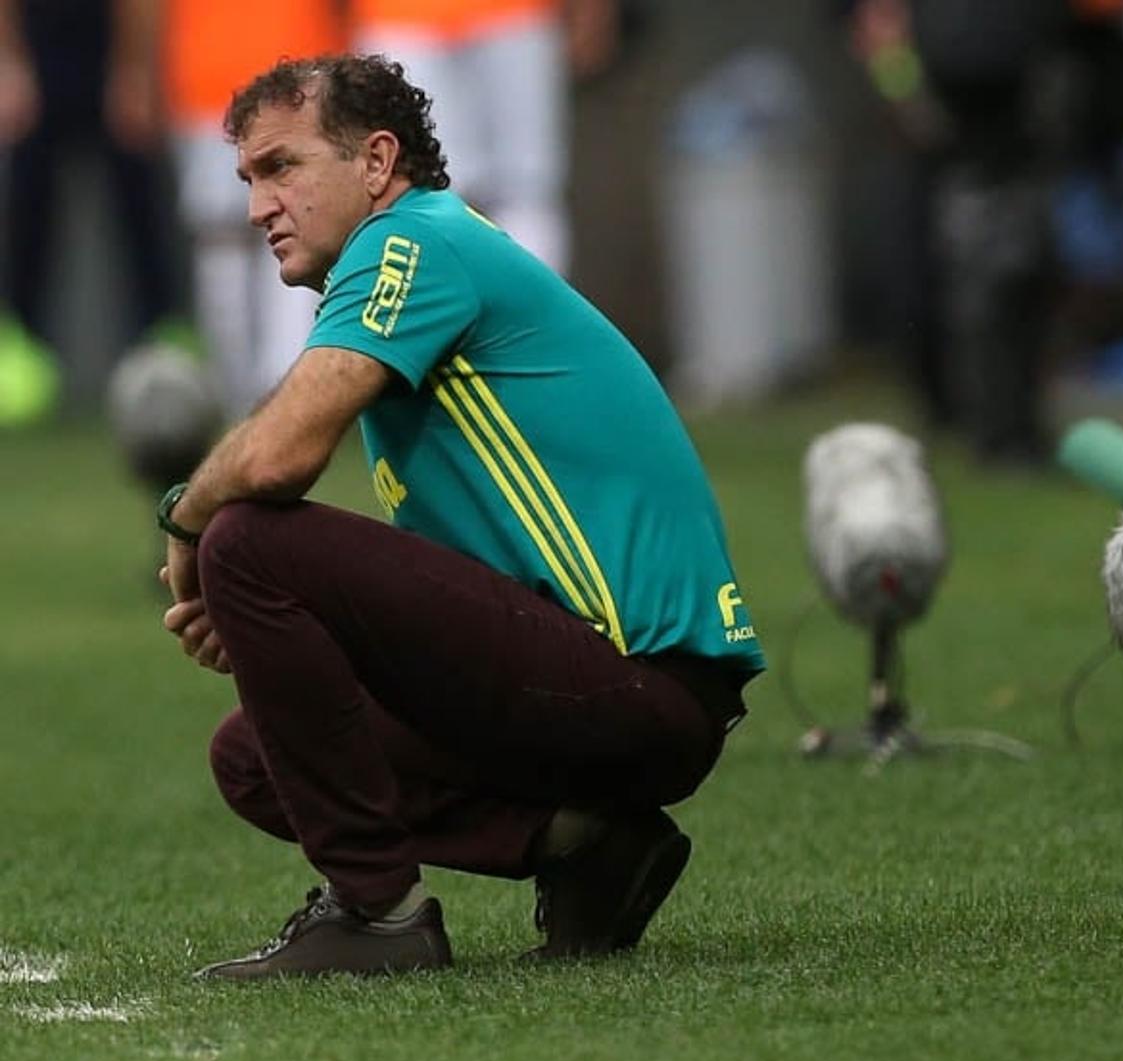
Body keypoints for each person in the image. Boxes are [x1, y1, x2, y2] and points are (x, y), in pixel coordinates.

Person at [158, 54, 765, 980]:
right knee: (253, 755)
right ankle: (586, 844)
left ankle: (376, 915)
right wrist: (288, 641)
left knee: (246, 538)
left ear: (376, 162)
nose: (256, 208)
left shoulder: (414, 242)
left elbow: (278, 458)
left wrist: (187, 518)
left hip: (639, 683)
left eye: (281, 167)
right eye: (248, 179)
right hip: (604, 691)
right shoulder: (418, 259)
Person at [160, 0, 345, 421]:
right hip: (289, 70)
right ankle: (284, 398)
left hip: (217, 71)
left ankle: (257, 401)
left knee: (226, 240)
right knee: (288, 226)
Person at [0, 0, 182, 426]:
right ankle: (21, 347)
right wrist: (10, 63)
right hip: (39, 53)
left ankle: (161, 338)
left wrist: (134, 70)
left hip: (108, 54)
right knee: (29, 204)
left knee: (137, 197)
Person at [346, 0, 617, 275]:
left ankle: (525, 311)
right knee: (427, 195)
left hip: (506, 18)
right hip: (408, 22)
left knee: (522, 192)